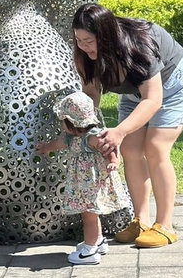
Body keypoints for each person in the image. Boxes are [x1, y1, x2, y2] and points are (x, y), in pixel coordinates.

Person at [71, 2, 183, 248]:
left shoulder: (140, 46)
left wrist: (119, 131)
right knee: (130, 150)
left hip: (174, 85)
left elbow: (153, 100)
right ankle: (141, 220)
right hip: (134, 92)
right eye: (78, 40)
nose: (83, 46)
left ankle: (165, 225)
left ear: (106, 36)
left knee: (155, 147)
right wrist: (82, 125)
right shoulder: (86, 55)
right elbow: (91, 95)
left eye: (88, 40)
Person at [36, 91, 131, 265]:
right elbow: (59, 143)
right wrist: (47, 147)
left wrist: (114, 161)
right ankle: (99, 242)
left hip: (92, 184)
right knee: (91, 214)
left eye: (64, 120)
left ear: (73, 121)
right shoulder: (72, 137)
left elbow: (109, 149)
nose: (62, 124)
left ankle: (89, 250)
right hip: (81, 184)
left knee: (88, 216)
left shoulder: (93, 136)